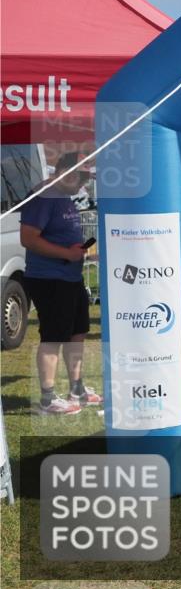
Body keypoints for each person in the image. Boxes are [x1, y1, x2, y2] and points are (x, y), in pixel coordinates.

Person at [19, 153, 102, 414]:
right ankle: (47, 399)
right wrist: (67, 254)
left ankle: (76, 388)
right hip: (49, 278)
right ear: (67, 173)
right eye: (81, 177)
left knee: (77, 333)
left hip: (70, 277)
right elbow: (28, 238)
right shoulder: (45, 196)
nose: (84, 185)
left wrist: (79, 252)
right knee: (54, 337)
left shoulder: (62, 196)